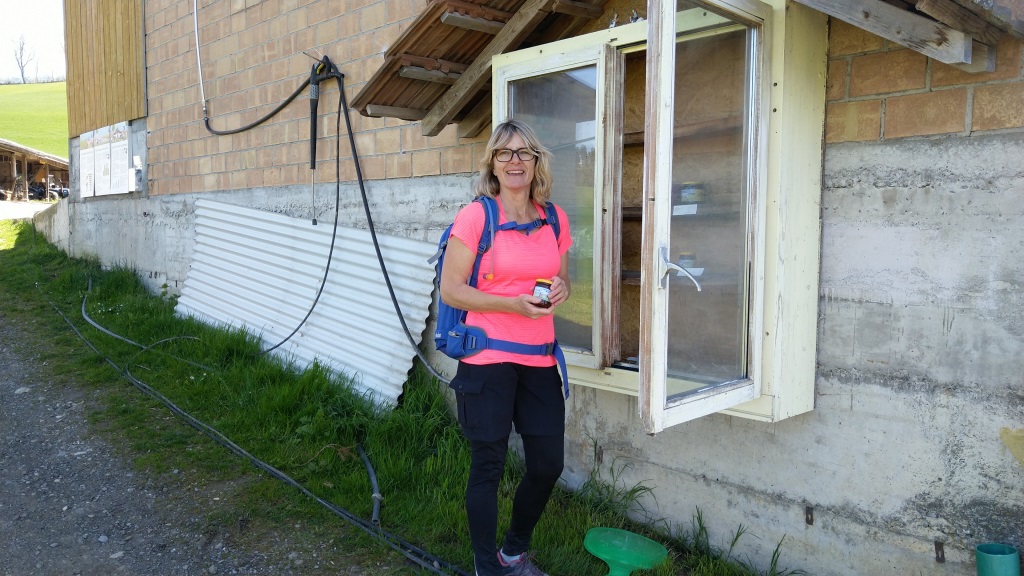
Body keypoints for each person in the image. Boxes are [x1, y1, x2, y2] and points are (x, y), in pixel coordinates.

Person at [440, 119, 572, 576]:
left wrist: (562, 289)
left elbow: (561, 277)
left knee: (548, 464)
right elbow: (452, 290)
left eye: (523, 152)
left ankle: (513, 552)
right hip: (488, 359)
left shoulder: (554, 218)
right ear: (493, 165)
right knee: (488, 467)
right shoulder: (476, 217)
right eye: (504, 153)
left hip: (539, 359)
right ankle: (487, 567)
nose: (514, 161)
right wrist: (511, 305)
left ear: (536, 162)